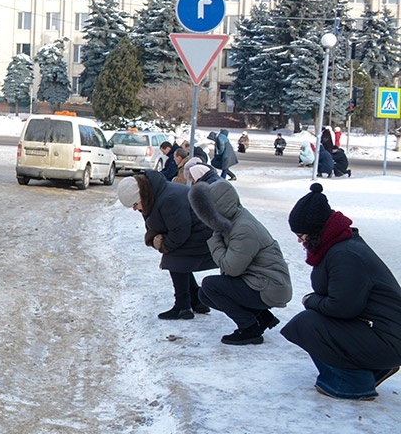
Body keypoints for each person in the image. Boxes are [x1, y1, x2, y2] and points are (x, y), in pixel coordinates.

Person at [281, 183, 401, 400]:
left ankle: (354, 383)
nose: (300, 241)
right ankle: (371, 369)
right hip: (385, 333)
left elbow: (342, 307)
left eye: (302, 235)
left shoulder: (345, 254)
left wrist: (311, 300)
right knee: (313, 320)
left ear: (316, 232)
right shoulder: (339, 245)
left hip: (388, 338)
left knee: (307, 324)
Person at [189, 180, 292, 345]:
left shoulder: (243, 228)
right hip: (261, 281)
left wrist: (214, 239)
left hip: (270, 287)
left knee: (210, 285)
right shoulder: (234, 219)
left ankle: (250, 328)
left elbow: (231, 268)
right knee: (204, 295)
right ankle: (262, 317)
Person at [117, 171, 217, 320]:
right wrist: (154, 237)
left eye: (135, 205)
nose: (135, 209)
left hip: (203, 236)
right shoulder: (153, 196)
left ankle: (182, 307)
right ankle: (196, 300)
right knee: (178, 259)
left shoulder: (169, 198)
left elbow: (179, 232)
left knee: (174, 259)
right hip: (194, 233)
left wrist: (164, 246)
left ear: (141, 196)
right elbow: (156, 225)